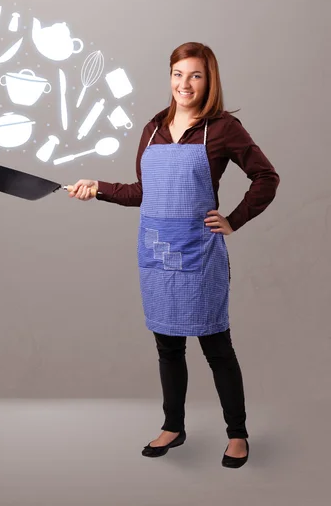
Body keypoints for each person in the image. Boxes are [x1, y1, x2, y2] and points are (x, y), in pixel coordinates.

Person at [69, 42, 280, 468]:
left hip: (199, 255)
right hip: (156, 254)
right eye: (178, 74)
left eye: (195, 76)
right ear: (170, 77)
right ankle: (173, 426)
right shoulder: (152, 127)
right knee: (167, 347)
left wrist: (234, 219)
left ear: (209, 80)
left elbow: (266, 177)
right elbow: (143, 192)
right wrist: (100, 188)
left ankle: (237, 434)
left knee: (217, 346)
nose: (185, 84)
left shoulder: (222, 128)